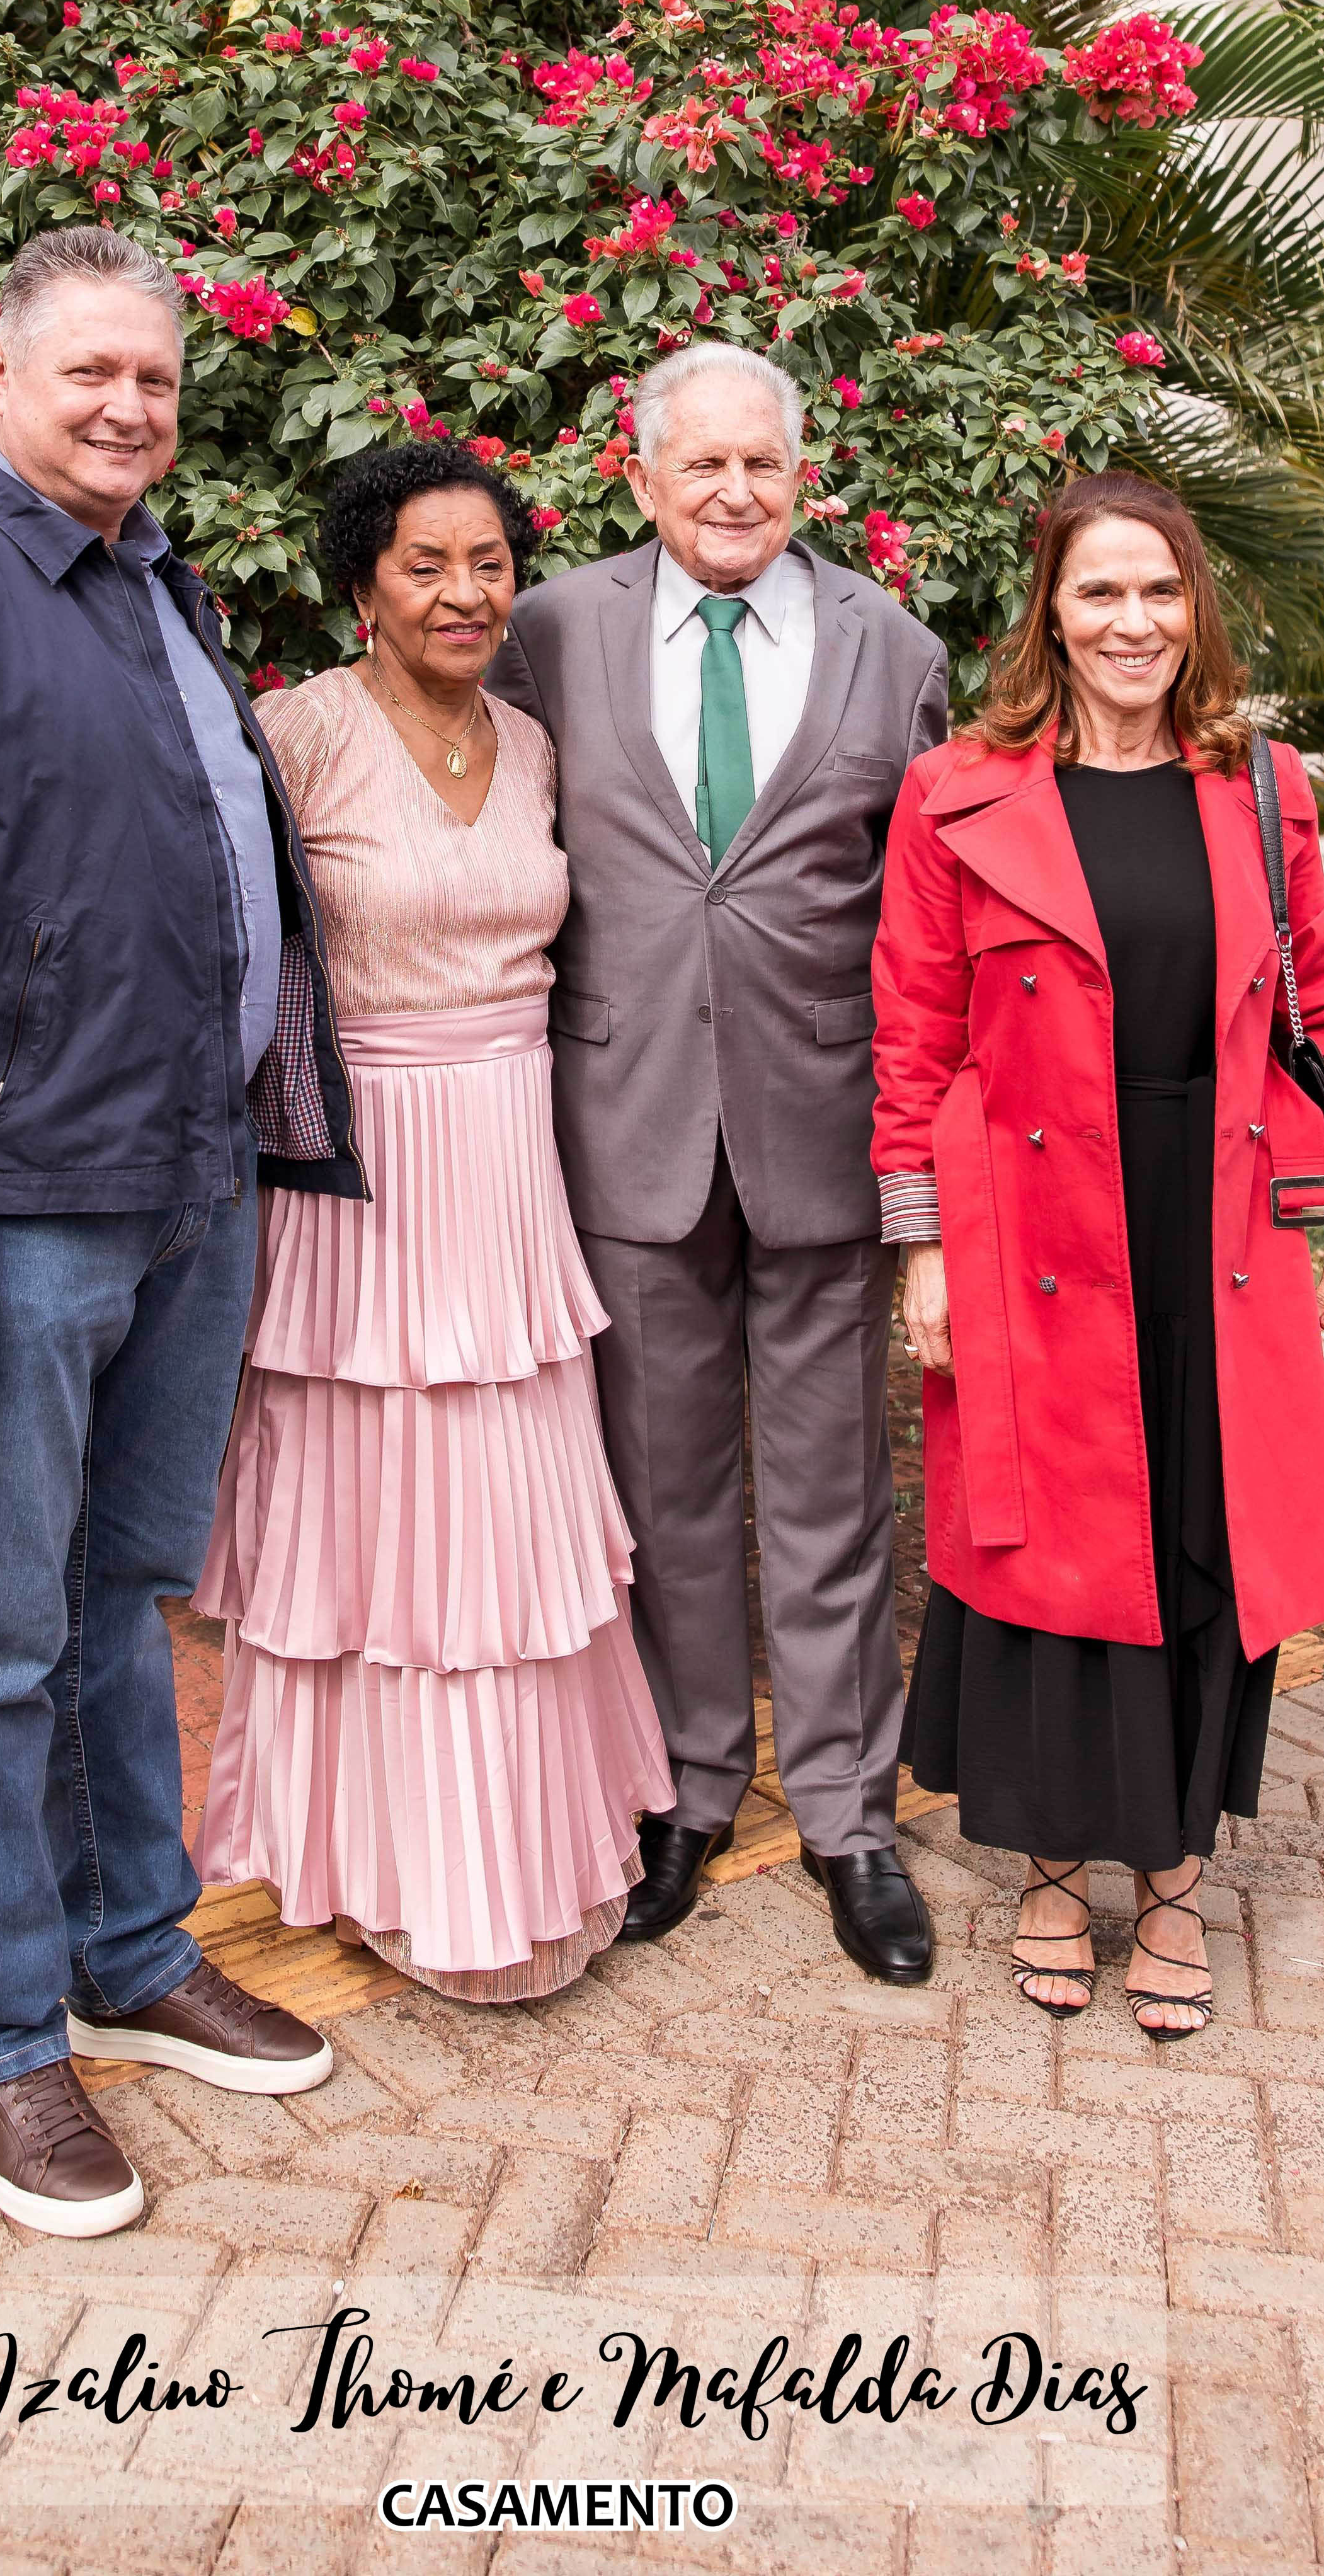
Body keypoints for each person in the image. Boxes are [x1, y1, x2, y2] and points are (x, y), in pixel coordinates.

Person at [0, 223, 358, 2241]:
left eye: (160, 384)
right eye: (92, 372)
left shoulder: (155, 585)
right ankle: (1, 2043)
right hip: (16, 1218)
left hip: (185, 1186)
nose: (130, 408)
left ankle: (131, 1946)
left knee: (122, 1599)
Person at [870, 469, 1324, 2039]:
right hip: (1032, 1216)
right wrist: (926, 1251)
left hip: (1217, 1212)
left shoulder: (1262, 787)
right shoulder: (955, 794)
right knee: (1042, 1544)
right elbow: (911, 1034)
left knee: (1200, 1535)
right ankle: (1046, 1869)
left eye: (1159, 591)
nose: (1133, 622)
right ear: (1051, 610)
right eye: (1100, 591)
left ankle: (1167, 1881)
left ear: (1195, 609)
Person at [486, 343, 952, 1983]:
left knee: (831, 1497)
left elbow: (930, 925)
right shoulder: (551, 633)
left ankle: (848, 1816)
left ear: (803, 476)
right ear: (643, 481)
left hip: (823, 1128)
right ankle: (687, 1788)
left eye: (764, 465)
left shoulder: (895, 652)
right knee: (667, 1491)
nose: (738, 494)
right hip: (625, 1132)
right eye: (705, 469)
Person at [194, 444, 672, 1996]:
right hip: (361, 1178)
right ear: (362, 584)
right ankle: (382, 1863)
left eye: (488, 563)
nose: (464, 592)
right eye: (425, 564)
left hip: (511, 1173)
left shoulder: (535, 747)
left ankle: (522, 1859)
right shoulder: (296, 738)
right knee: (378, 1534)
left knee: (514, 1523)